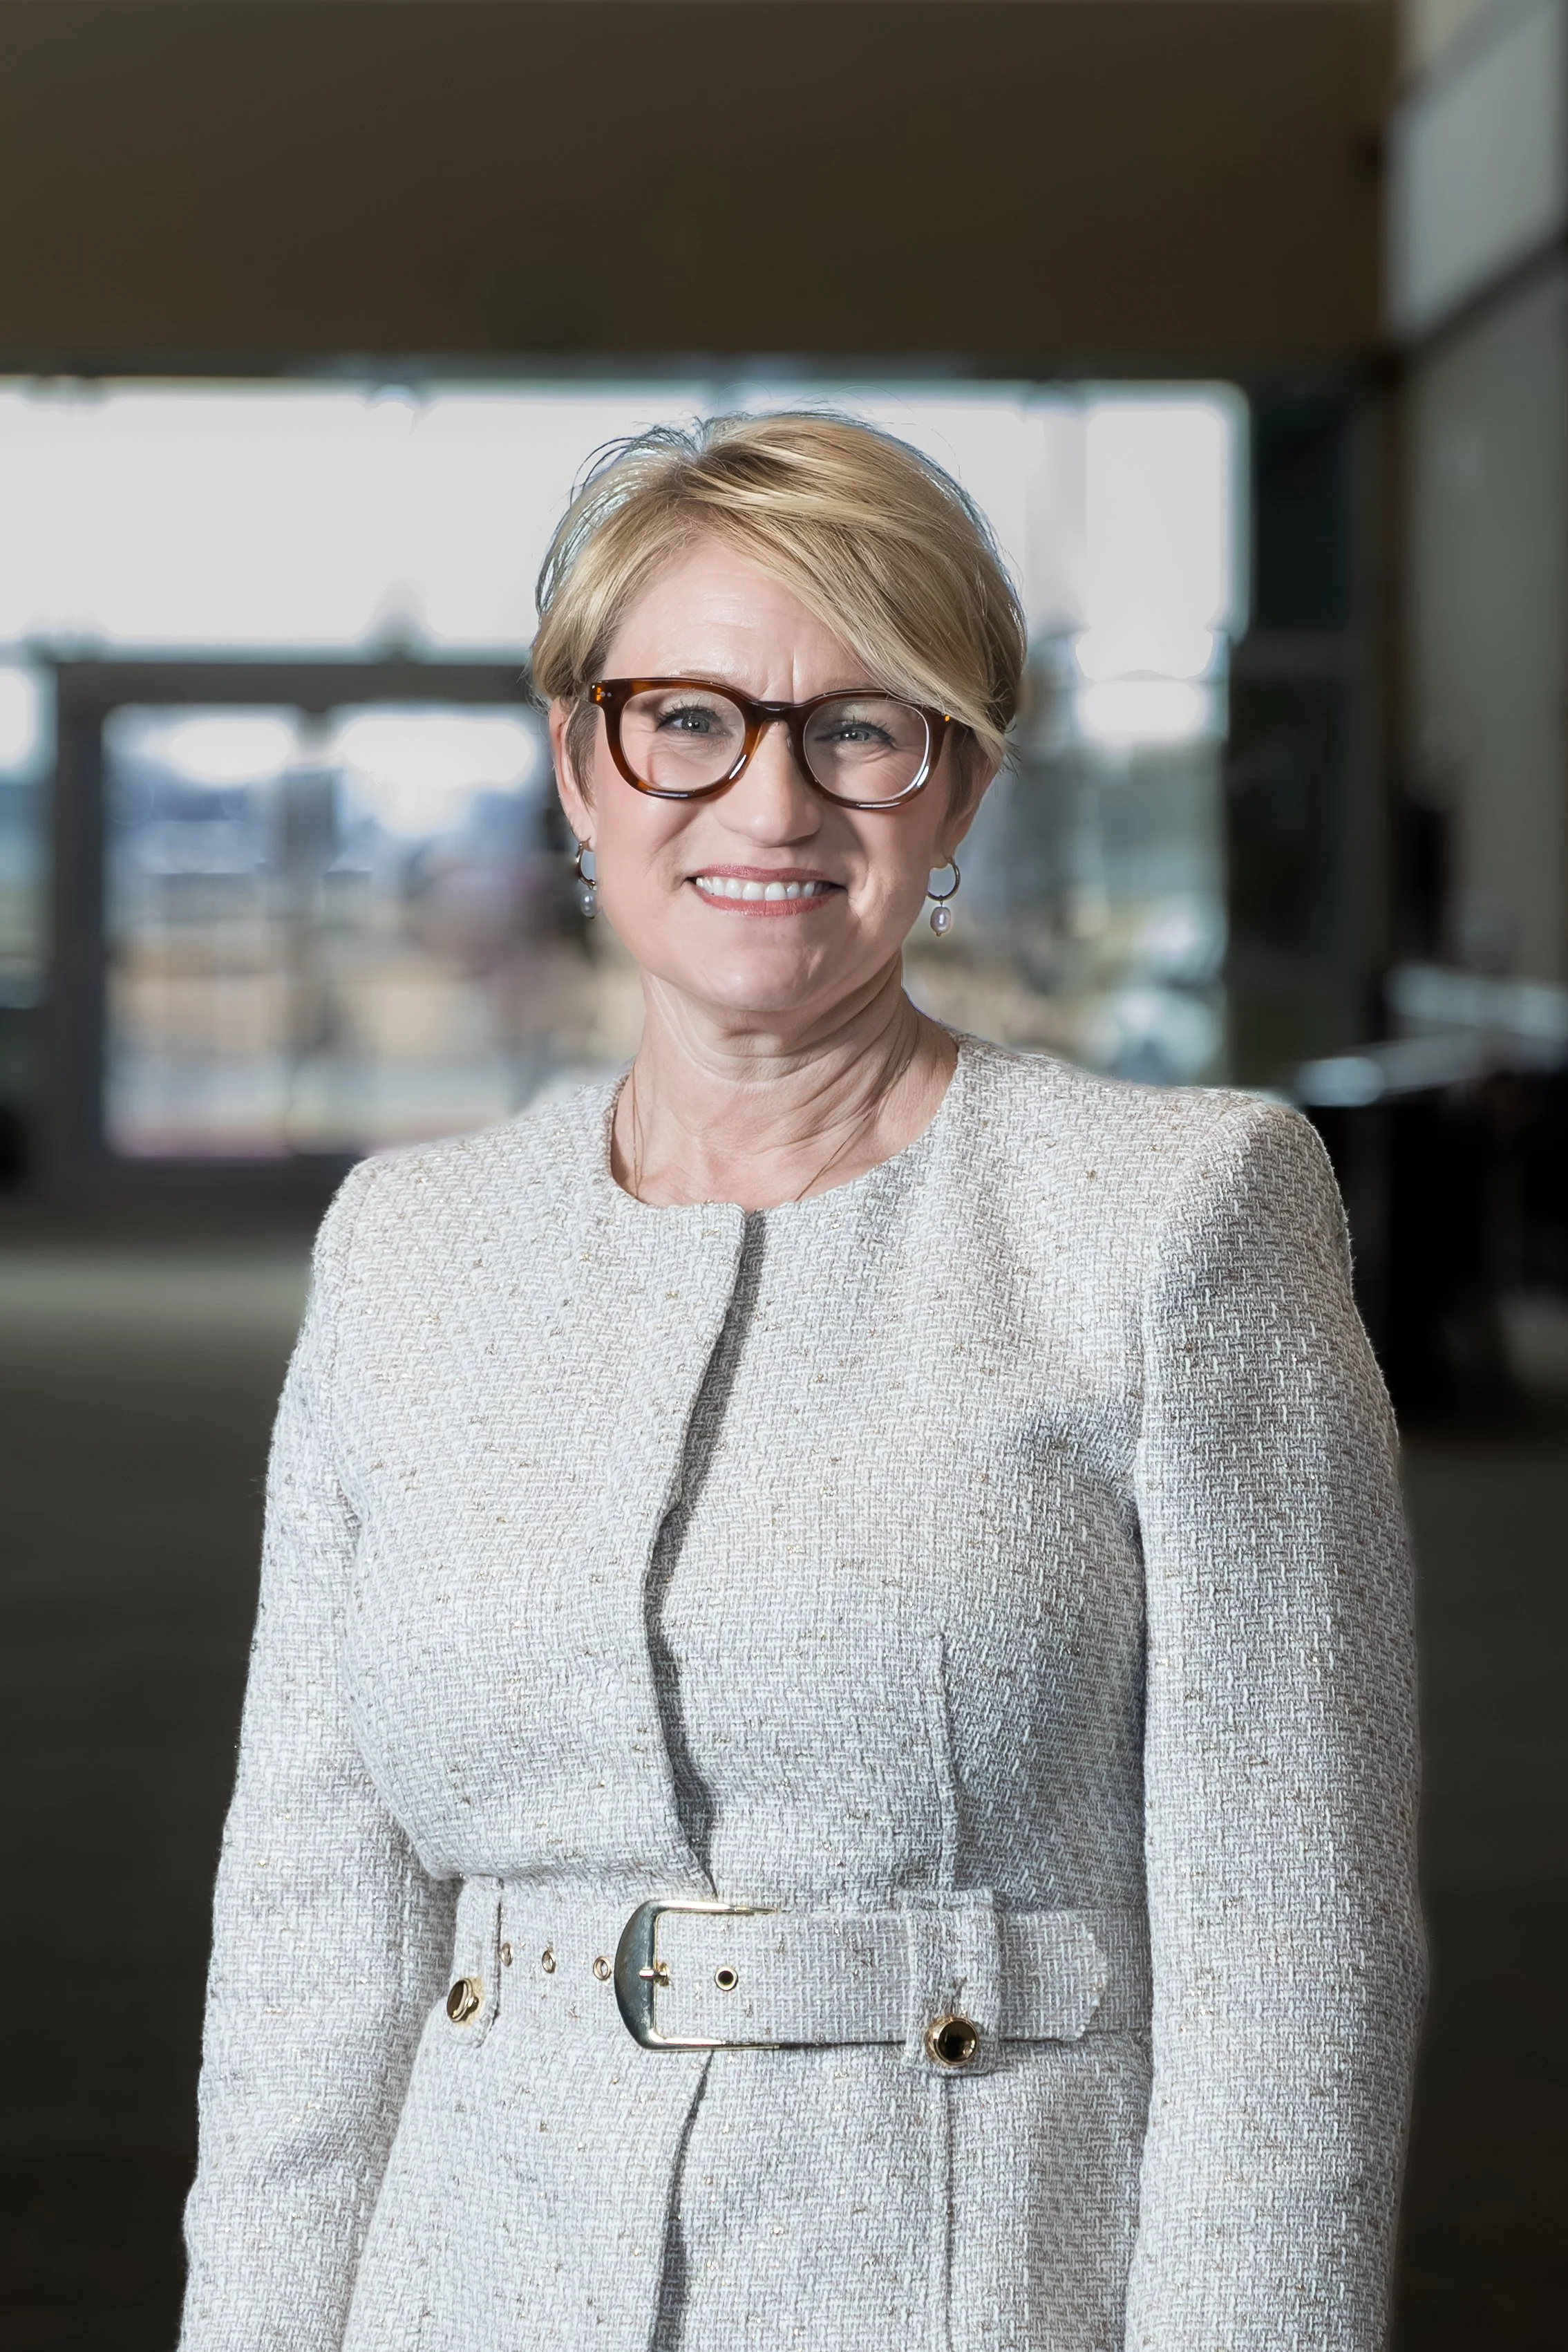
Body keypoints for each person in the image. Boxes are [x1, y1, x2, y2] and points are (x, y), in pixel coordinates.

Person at [179, 413, 1424, 2352]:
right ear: (581, 767)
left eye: (861, 726)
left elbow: (1291, 1961)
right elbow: (308, 1950)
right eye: (686, 719)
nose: (768, 807)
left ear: (959, 793)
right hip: (467, 2289)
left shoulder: (1176, 1219)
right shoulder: (403, 1254)